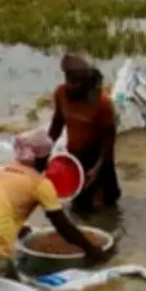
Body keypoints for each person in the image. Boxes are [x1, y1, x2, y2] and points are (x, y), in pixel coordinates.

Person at [0, 129, 108, 278]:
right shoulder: (39, 184)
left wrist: (21, 228)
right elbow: (62, 225)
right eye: (47, 157)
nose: (48, 162)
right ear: (41, 158)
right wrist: (90, 250)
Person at [48, 53, 121, 215]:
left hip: (98, 158)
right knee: (78, 203)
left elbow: (109, 140)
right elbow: (57, 124)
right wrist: (46, 151)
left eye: (75, 82)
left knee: (103, 209)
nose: (70, 85)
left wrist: (97, 168)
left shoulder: (102, 103)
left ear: (87, 83)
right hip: (75, 157)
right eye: (68, 80)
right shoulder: (60, 94)